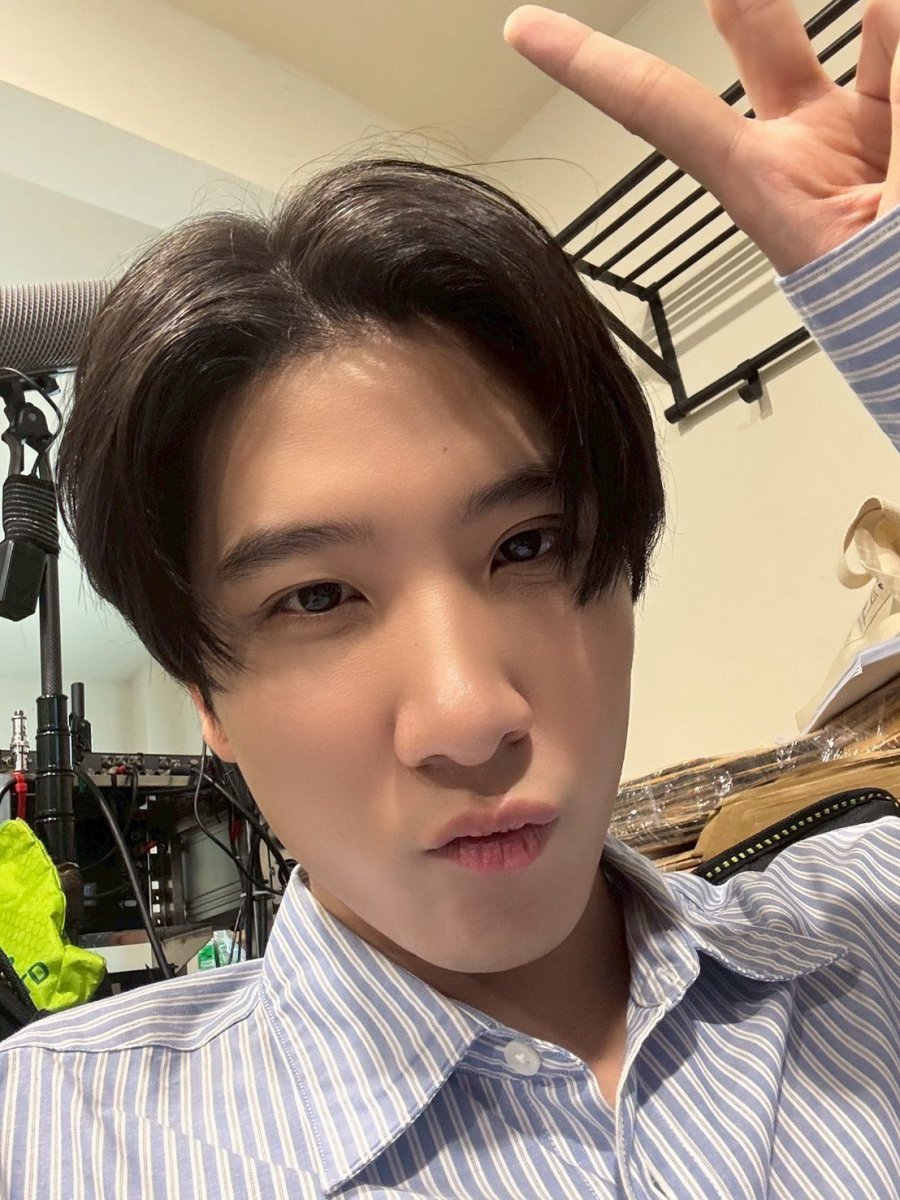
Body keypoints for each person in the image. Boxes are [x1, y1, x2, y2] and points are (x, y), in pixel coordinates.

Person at [1, 0, 898, 1195]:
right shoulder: (59, 1138)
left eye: (527, 545)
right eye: (318, 597)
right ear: (204, 692)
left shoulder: (871, 932)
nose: (472, 719)